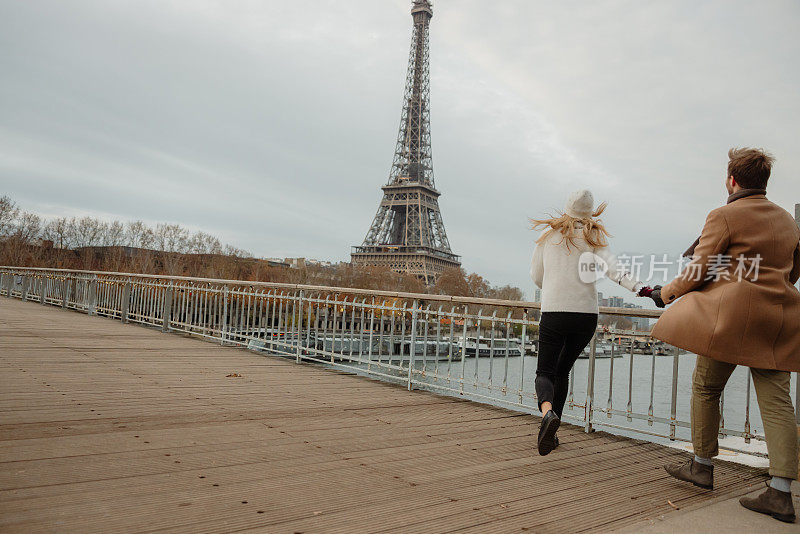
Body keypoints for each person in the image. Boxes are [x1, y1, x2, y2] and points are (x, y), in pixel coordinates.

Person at [650, 148, 799, 523]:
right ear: (763, 181)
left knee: (705, 387)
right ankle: (780, 493)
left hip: (731, 323)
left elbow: (697, 271)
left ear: (732, 180)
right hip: (778, 321)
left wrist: (663, 294)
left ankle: (701, 466)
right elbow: (794, 270)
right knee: (778, 403)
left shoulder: (724, 215)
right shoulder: (786, 220)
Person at [530, 189, 648, 455]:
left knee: (545, 373)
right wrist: (643, 289)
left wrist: (552, 284)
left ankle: (547, 415)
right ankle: (552, 434)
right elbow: (616, 271)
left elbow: (536, 276)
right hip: (586, 317)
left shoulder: (547, 235)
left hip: (555, 312)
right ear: (591, 212)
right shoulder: (595, 236)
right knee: (563, 371)